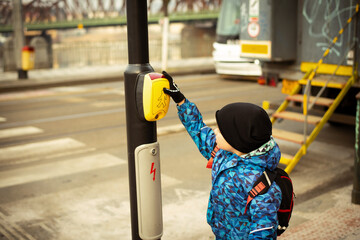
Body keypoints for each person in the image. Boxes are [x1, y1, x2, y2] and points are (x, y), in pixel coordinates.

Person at [162, 71, 282, 239]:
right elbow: (198, 130)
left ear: (237, 140)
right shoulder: (223, 153)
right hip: (221, 233)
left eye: (221, 130)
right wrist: (181, 101)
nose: (215, 132)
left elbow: (263, 233)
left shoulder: (263, 186)